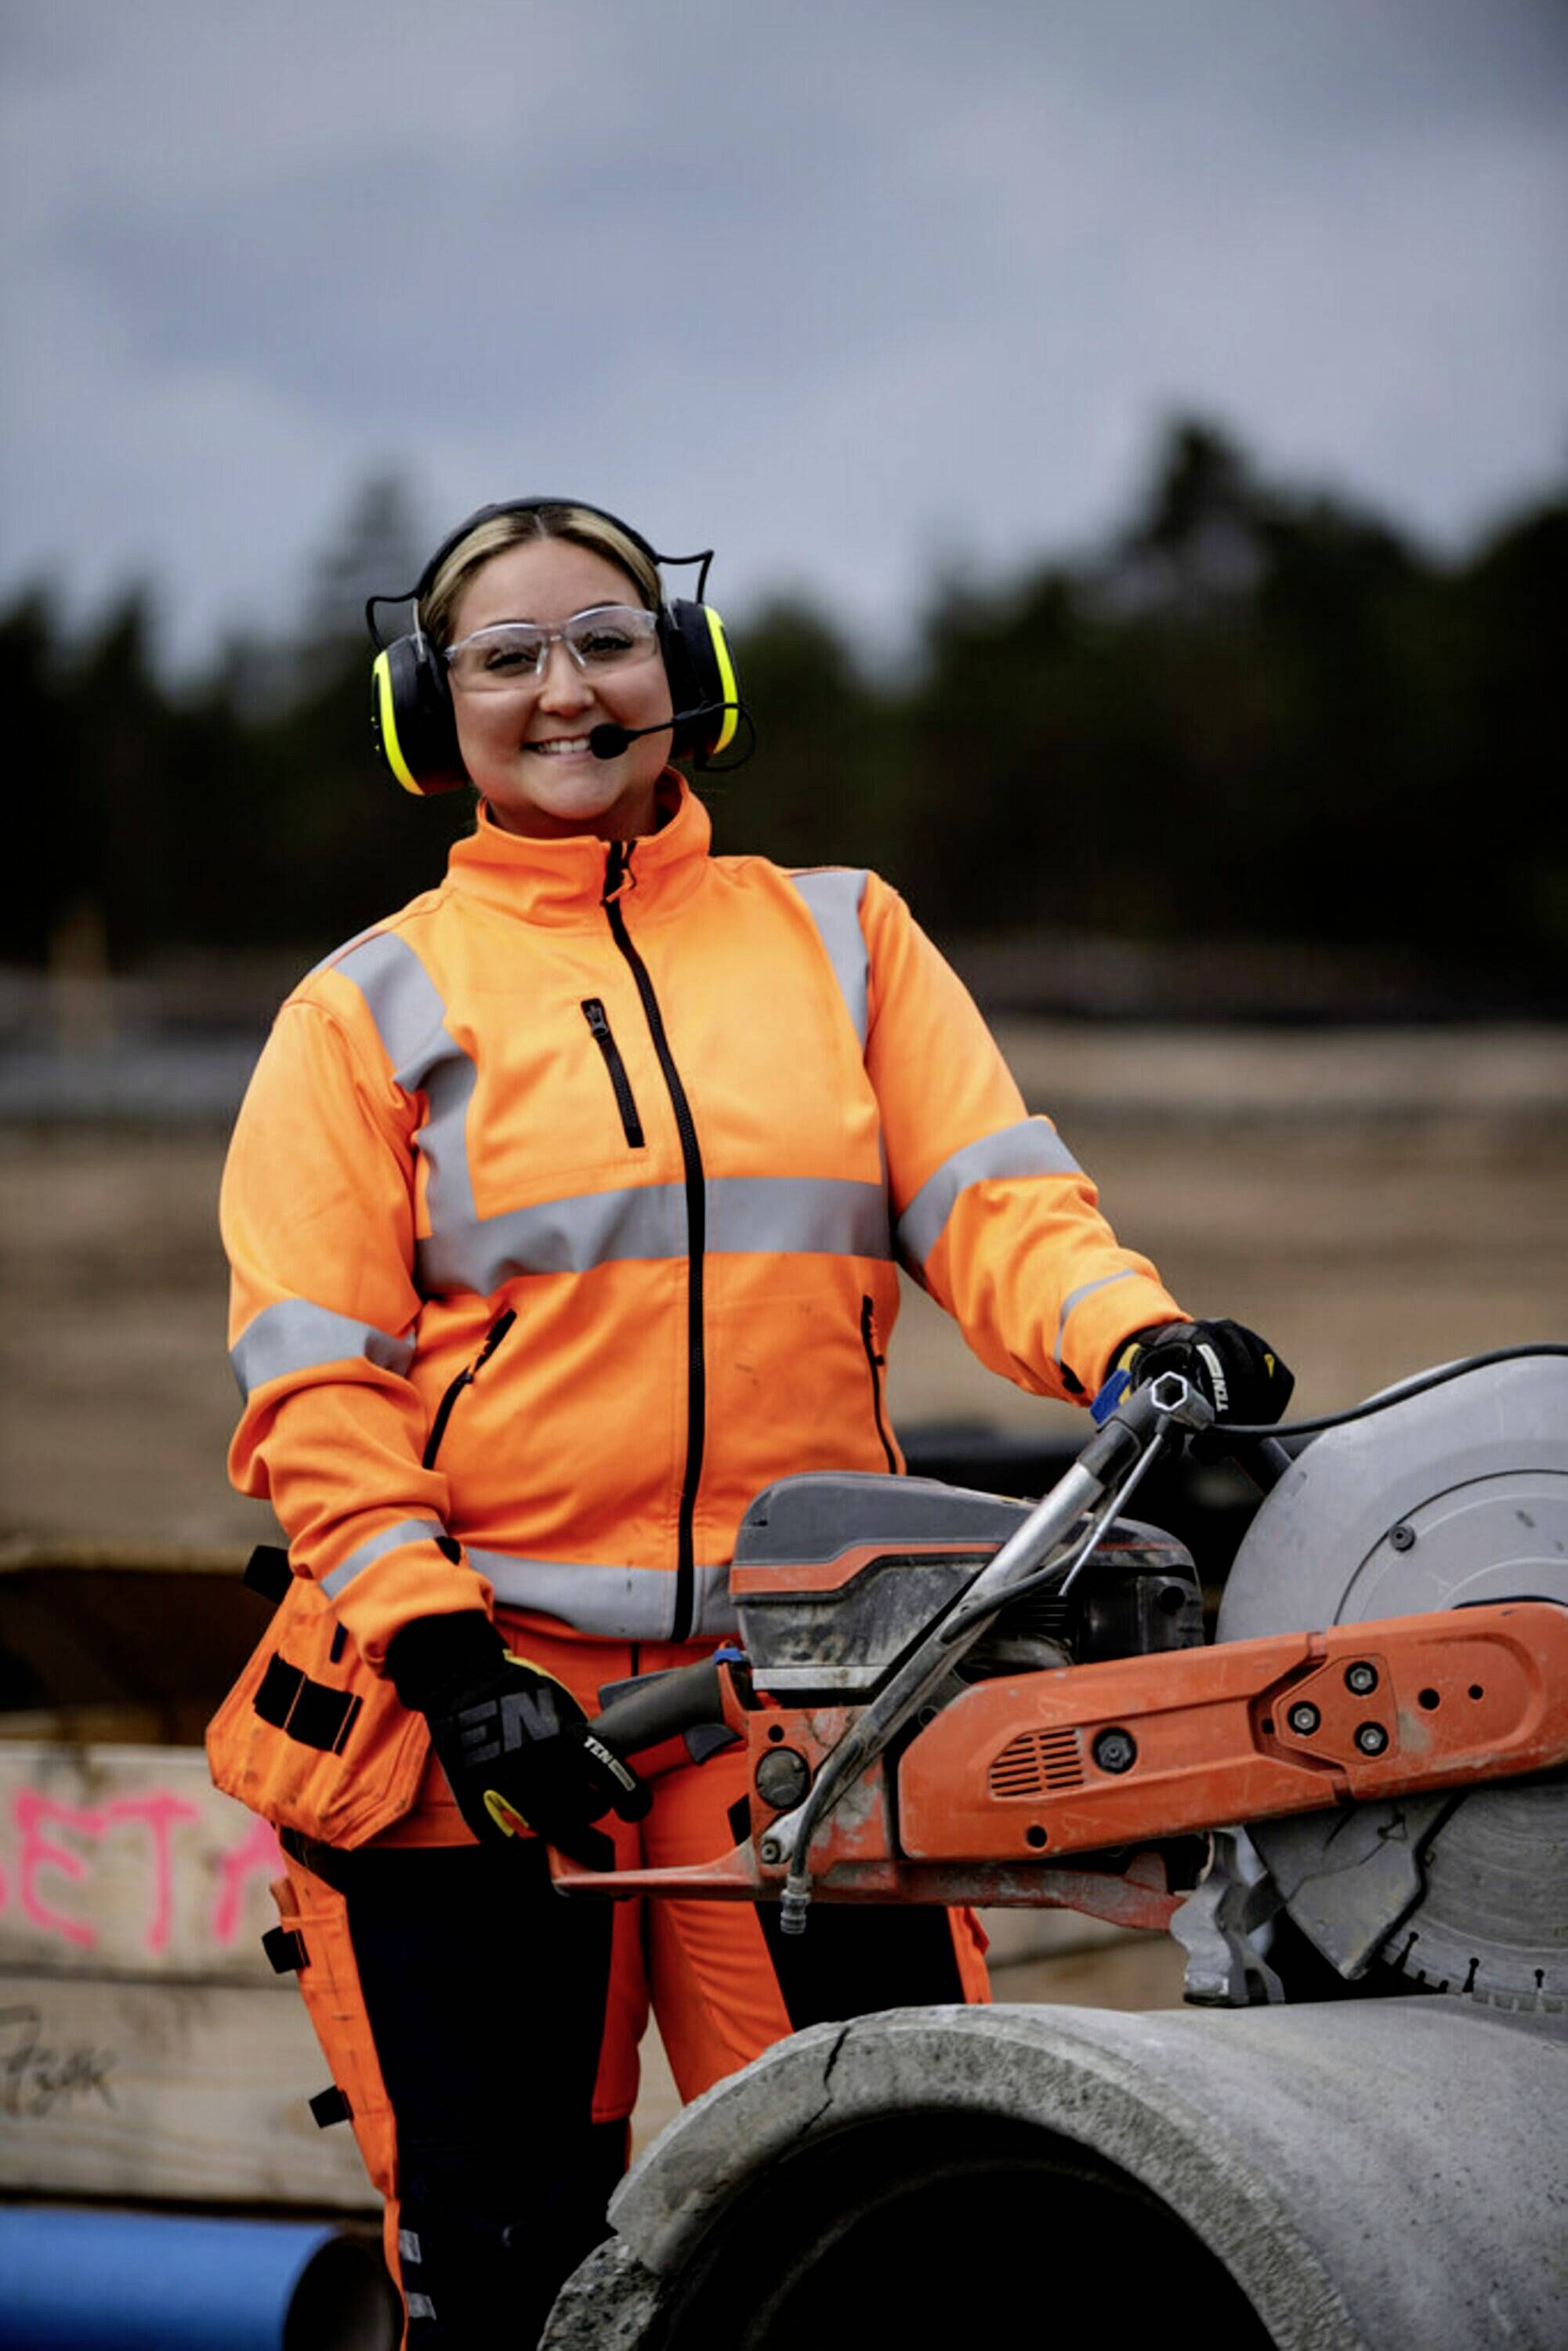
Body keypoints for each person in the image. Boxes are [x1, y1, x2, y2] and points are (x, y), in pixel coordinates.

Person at [209, 497, 1292, 2345]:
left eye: (608, 640)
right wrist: (452, 1658)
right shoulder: (362, 1009)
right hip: (480, 1725)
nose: (567, 688)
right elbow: (317, 1387)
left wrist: (1132, 1339)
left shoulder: (845, 938)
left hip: (800, 1698)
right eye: (508, 656)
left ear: (684, 674)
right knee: (508, 2266)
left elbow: (994, 1203)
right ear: (430, 707)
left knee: (875, 2230)